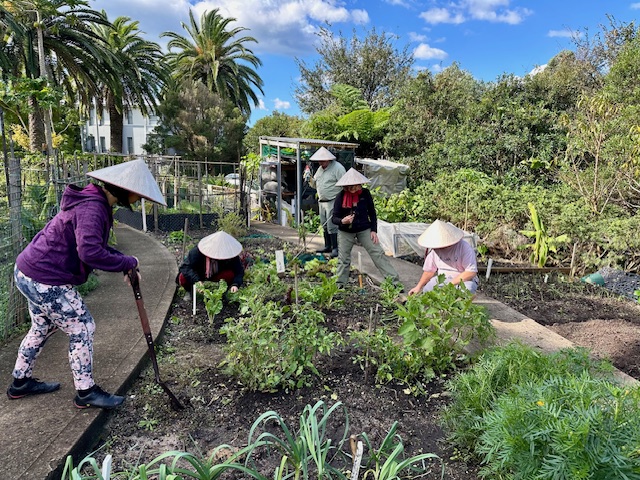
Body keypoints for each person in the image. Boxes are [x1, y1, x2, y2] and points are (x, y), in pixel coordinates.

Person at [7, 159, 166, 409]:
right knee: (82, 327)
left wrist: (125, 263)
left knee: (41, 327)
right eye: (138, 194)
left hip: (28, 271)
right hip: (46, 278)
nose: (139, 199)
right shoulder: (94, 208)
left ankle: (20, 382)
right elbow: (90, 252)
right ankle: (86, 392)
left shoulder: (95, 201)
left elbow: (96, 247)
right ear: (124, 189)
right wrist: (129, 261)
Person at [331, 168, 401, 288]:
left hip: (364, 228)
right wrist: (342, 221)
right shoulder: (340, 196)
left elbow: (372, 213)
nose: (357, 188)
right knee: (343, 258)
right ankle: (340, 285)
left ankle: (394, 282)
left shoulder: (365, 193)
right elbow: (334, 218)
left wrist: (373, 230)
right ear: (347, 187)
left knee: (377, 253)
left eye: (358, 185)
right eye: (353, 186)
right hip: (346, 231)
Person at [408, 220, 478, 295]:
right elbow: (429, 271)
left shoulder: (464, 248)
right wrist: (418, 287)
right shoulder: (434, 251)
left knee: (467, 290)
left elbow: (471, 272)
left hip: (463, 280)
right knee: (427, 291)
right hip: (443, 279)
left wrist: (450, 284)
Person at [177, 231, 244, 301]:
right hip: (199, 273)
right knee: (183, 277)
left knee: (230, 274)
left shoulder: (230, 255)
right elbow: (185, 267)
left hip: (217, 273)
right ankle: (189, 291)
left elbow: (239, 271)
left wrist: (235, 284)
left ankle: (224, 293)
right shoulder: (196, 252)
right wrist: (196, 281)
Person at [310, 147, 346, 257]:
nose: (320, 162)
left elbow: (345, 184)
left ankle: (335, 248)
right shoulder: (320, 169)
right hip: (322, 201)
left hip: (334, 200)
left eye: (323, 160)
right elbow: (315, 184)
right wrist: (309, 179)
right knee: (324, 224)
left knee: (332, 225)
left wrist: (342, 201)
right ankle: (328, 246)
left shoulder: (338, 168)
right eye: (319, 160)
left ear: (329, 159)